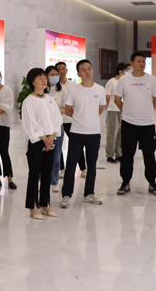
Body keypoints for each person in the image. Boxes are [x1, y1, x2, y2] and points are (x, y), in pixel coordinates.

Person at [114, 51, 156, 196]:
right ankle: (125, 182)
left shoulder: (151, 79)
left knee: (149, 155)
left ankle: (152, 182)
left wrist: (147, 111)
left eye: (143, 61)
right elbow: (117, 99)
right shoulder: (124, 80)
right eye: (138, 61)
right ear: (132, 63)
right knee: (127, 155)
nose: (142, 64)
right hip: (129, 124)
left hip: (147, 124)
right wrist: (127, 111)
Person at [60, 60, 105, 208]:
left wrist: (89, 118)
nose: (87, 72)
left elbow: (100, 110)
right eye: (83, 70)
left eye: (89, 69)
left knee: (92, 165)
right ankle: (66, 195)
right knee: (71, 164)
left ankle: (89, 194)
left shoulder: (100, 89)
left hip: (94, 133)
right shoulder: (74, 90)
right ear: (78, 74)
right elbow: (68, 110)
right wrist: (81, 118)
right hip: (77, 132)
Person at [21, 68, 62, 220]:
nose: (44, 80)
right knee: (34, 174)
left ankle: (45, 204)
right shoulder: (29, 101)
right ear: (32, 82)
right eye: (40, 78)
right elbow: (30, 123)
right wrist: (44, 137)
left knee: (47, 173)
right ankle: (33, 207)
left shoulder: (49, 99)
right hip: (36, 142)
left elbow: (57, 119)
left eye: (45, 77)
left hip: (50, 141)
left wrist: (52, 135)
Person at [56, 61, 86, 177]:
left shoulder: (73, 85)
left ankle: (83, 168)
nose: (61, 71)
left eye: (63, 69)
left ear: (67, 70)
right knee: (58, 146)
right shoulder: (53, 86)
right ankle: (61, 169)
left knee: (76, 144)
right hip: (58, 120)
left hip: (71, 120)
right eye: (59, 69)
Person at [45, 65, 68, 193]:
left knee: (56, 155)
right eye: (52, 74)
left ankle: (54, 182)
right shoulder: (42, 89)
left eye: (56, 74)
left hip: (57, 126)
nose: (54, 77)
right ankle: (42, 180)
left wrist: (54, 112)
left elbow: (66, 108)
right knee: (43, 154)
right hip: (43, 126)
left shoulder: (62, 90)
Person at [104, 62, 127, 163]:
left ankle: (118, 154)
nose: (126, 73)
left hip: (122, 110)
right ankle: (109, 155)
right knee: (112, 133)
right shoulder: (111, 82)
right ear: (120, 72)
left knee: (120, 134)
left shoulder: (124, 82)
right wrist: (110, 107)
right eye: (125, 71)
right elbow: (107, 97)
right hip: (113, 111)